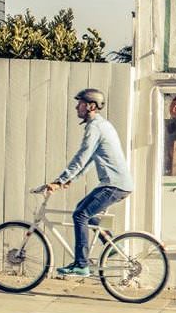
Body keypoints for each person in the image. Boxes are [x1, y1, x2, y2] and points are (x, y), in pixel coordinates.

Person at [46, 89, 134, 277]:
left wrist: (59, 180)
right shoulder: (102, 125)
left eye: (80, 103)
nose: (77, 106)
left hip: (114, 184)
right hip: (116, 183)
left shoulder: (95, 127)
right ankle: (111, 244)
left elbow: (82, 155)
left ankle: (81, 264)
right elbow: (91, 158)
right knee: (83, 209)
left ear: (90, 106)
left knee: (80, 215)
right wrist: (70, 179)